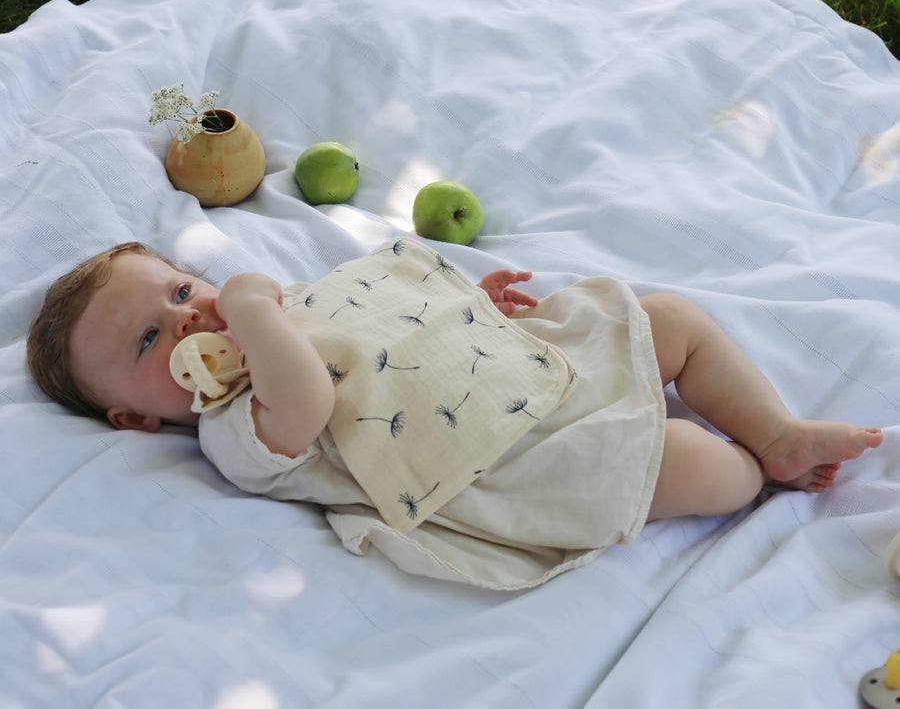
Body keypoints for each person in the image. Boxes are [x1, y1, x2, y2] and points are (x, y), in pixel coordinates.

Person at [26, 237, 883, 590]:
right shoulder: (231, 431)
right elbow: (312, 395)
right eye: (149, 339)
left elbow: (386, 330)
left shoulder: (300, 304)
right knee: (700, 468)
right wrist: (250, 312)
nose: (186, 319)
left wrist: (466, 307)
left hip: (511, 367)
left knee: (669, 322)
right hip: (502, 459)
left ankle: (774, 430)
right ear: (136, 420)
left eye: (182, 290)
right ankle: (748, 465)